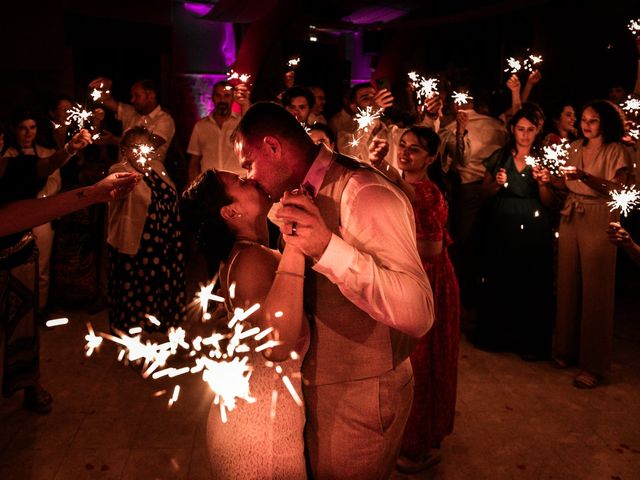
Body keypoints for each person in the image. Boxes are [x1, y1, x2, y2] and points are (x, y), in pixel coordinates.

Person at [234, 102, 434, 479]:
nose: (248, 176)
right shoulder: (295, 193)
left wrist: (328, 248)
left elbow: (420, 312)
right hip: (321, 386)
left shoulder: (365, 192)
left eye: (248, 164)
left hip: (361, 394)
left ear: (273, 148)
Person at [182, 169, 308, 479]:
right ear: (231, 211)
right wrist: (296, 243)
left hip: (263, 419)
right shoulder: (251, 260)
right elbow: (278, 345)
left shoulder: (247, 254)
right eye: (241, 182)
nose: (252, 177)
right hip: (260, 433)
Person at [1, 124, 96, 414]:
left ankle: (31, 384)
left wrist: (69, 148)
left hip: (19, 257)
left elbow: (46, 166)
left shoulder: (15, 167)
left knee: (25, 327)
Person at [394, 127, 460, 473]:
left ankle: (414, 447)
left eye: (415, 150)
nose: (405, 154)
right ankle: (400, 440)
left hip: (429, 281)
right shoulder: (397, 185)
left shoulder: (429, 194)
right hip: (403, 277)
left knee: (422, 361)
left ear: (431, 157)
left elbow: (432, 250)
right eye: (402, 146)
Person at [552, 100, 632, 388]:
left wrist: (585, 176)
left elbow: (619, 188)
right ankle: (565, 348)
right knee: (568, 284)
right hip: (572, 213)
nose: (586, 124)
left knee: (596, 289)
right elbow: (566, 183)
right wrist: (549, 180)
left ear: (605, 122)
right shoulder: (573, 147)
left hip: (600, 214)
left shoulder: (616, 151)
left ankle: (593, 363)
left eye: (593, 120)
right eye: (584, 119)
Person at [474, 105, 555, 359]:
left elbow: (550, 203)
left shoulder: (544, 159)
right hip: (502, 222)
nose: (525, 135)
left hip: (534, 227)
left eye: (531, 129)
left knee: (530, 277)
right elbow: (483, 194)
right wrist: (496, 186)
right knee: (500, 274)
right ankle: (497, 335)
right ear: (512, 129)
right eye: (521, 129)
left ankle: (528, 340)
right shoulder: (500, 157)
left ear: (538, 130)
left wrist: (543, 185)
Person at [106, 127, 185, 333]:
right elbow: (115, 186)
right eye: (136, 147)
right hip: (137, 245)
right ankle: (132, 340)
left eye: (146, 147)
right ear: (125, 150)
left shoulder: (157, 166)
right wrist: (124, 182)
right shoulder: (118, 169)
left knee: (161, 289)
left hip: (165, 242)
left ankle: (161, 331)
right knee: (135, 294)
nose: (143, 152)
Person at [438, 93, 507, 326]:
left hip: (468, 190)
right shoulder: (498, 126)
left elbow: (449, 162)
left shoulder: (451, 127)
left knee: (464, 246)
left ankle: (464, 303)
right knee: (484, 244)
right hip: (496, 188)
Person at [3, 111, 63, 315]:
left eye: (32, 127)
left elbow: (54, 183)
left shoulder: (47, 153)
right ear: (14, 130)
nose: (28, 133)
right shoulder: (7, 156)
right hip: (15, 218)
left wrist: (35, 199)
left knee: (42, 266)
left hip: (41, 216)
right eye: (23, 128)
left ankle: (40, 309)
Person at [88, 77, 175, 164]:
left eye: (137, 96)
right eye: (132, 96)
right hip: (121, 172)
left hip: (145, 175)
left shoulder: (165, 120)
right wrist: (106, 87)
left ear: (151, 96)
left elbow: (147, 146)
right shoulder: (131, 112)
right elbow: (105, 100)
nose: (132, 100)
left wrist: (113, 140)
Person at [187, 80, 250, 182]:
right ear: (212, 97)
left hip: (239, 184)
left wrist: (245, 105)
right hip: (210, 185)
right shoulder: (200, 126)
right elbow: (193, 163)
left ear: (233, 98)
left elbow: (253, 138)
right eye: (218, 96)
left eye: (226, 96)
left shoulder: (242, 122)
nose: (222, 100)